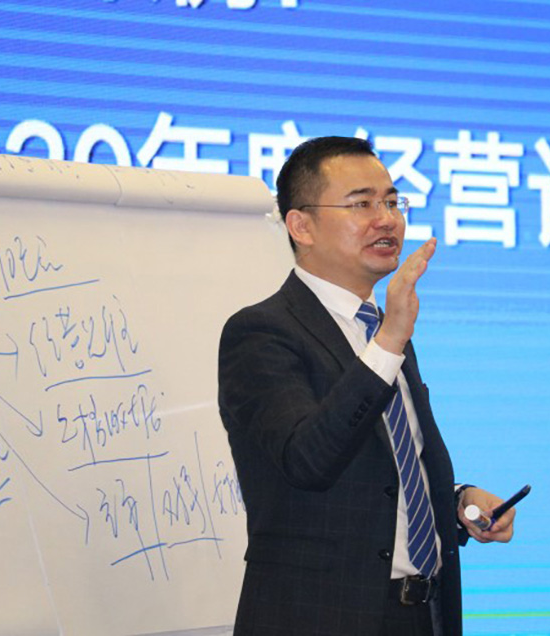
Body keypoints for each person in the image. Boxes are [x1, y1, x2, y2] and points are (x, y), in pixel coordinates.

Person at [218, 136, 515, 636]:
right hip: (322, 619)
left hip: (422, 614)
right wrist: (389, 341)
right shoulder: (262, 333)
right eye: (362, 204)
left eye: (392, 202)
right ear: (301, 226)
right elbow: (307, 460)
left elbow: (384, 471)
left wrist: (457, 500)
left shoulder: (383, 330)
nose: (387, 219)